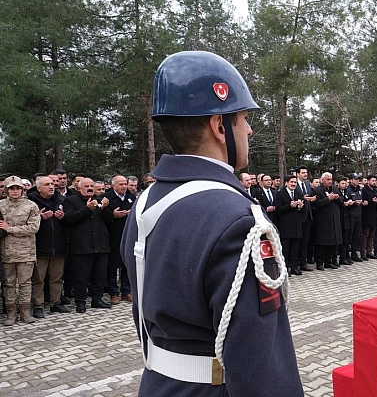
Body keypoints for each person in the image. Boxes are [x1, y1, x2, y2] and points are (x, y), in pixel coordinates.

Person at [120, 51, 302, 396]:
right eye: (244, 118)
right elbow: (259, 362)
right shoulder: (238, 220)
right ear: (220, 127)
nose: (249, 129)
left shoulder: (147, 201)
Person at [63, 178, 113, 313]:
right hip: (82, 246)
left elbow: (110, 220)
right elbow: (70, 219)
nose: (90, 188)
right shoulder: (71, 201)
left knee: (100, 275)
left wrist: (105, 208)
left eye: (92, 186)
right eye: (86, 186)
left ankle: (97, 299)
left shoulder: (100, 200)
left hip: (101, 245)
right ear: (79, 188)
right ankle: (81, 302)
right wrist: (87, 209)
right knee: (81, 277)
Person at [27, 176, 70, 318]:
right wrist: (39, 218)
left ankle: (55, 303)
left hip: (58, 246)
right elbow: (26, 223)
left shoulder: (61, 200)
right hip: (40, 247)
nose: (51, 186)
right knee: (38, 279)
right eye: (47, 184)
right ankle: (38, 305)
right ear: (39, 188)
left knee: (57, 278)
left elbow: (70, 221)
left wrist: (63, 217)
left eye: (52, 184)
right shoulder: (31, 202)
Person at [0, 176, 41, 325]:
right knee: (9, 284)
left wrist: (9, 228)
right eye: (12, 188)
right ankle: (11, 314)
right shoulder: (0, 205)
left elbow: (33, 228)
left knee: (25, 284)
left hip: (26, 252)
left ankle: (25, 312)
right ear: (7, 190)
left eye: (18, 188)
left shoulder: (31, 206)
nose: (15, 191)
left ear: (23, 190)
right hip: (6, 252)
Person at [103, 175, 135, 305]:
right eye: (121, 184)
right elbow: (102, 216)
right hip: (112, 236)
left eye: (125, 184)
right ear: (113, 185)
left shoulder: (131, 197)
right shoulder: (107, 198)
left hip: (127, 235)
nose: (124, 187)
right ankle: (113, 293)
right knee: (112, 266)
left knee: (126, 264)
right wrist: (113, 215)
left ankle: (126, 291)